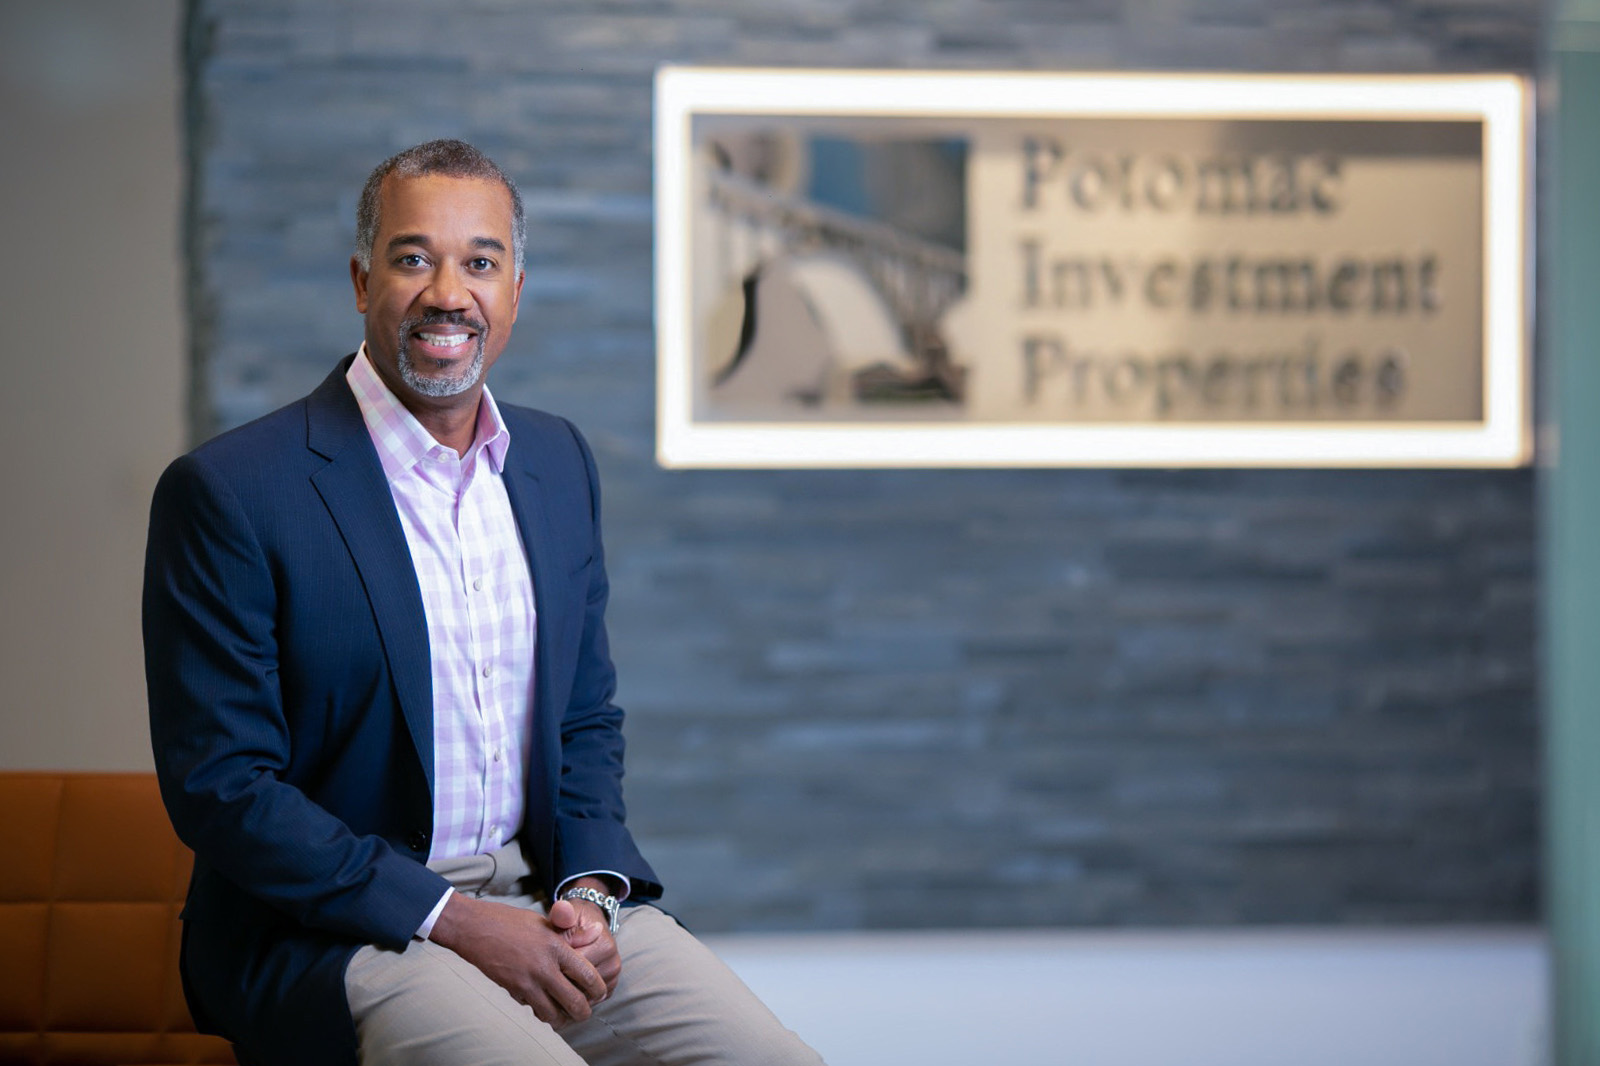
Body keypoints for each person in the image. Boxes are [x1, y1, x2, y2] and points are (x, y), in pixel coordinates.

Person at [143, 139, 825, 1066]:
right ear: (360, 280)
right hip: (339, 931)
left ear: (514, 290)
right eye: (413, 257)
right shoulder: (234, 491)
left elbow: (585, 718)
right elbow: (223, 788)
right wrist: (453, 920)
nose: (447, 292)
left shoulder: (553, 463)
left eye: (480, 262)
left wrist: (587, 892)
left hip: (545, 902)